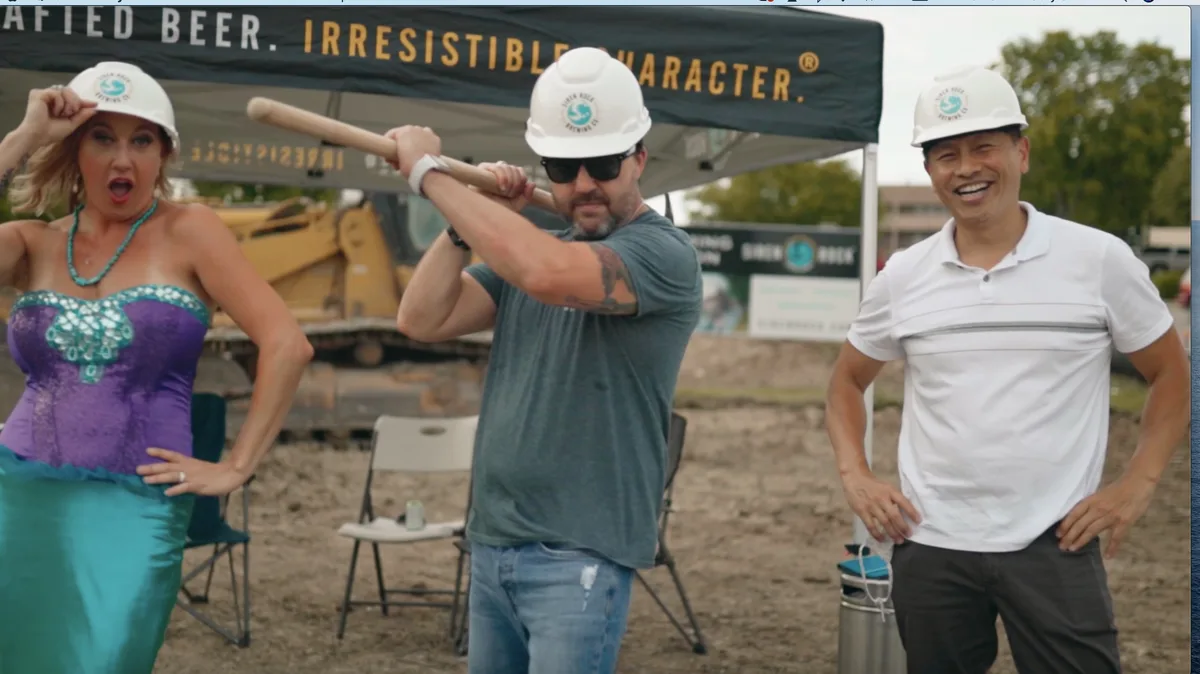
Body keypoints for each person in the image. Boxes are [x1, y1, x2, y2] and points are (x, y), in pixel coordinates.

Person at [825, 66, 1190, 674]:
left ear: (1021, 152)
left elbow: (1171, 375)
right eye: (946, 154)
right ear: (930, 171)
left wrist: (1138, 485)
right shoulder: (903, 277)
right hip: (930, 546)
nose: (966, 168)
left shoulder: (1097, 259)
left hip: (1056, 544)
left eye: (983, 147)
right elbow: (846, 382)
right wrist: (855, 475)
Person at [387, 47, 703, 674]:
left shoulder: (663, 256)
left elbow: (548, 274)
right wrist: (463, 228)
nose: (583, 183)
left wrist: (432, 175)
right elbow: (420, 319)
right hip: (494, 541)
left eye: (604, 164)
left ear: (639, 158)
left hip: (580, 556)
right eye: (563, 166)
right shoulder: (536, 249)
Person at [0, 61, 313, 673]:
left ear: (164, 155)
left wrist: (237, 466)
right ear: (72, 149)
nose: (124, 159)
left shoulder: (190, 230)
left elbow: (286, 343)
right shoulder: (30, 241)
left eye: (142, 140)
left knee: (106, 658)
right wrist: (22, 138)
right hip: (19, 496)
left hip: (138, 504)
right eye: (103, 136)